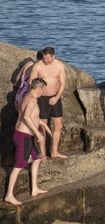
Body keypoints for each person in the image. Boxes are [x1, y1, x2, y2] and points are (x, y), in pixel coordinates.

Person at [4, 78, 52, 206]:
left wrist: (43, 124)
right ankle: (9, 195)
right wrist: (37, 133)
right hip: (23, 136)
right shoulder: (31, 100)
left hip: (24, 135)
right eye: (43, 89)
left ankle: (34, 188)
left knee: (36, 158)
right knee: (19, 165)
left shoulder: (26, 96)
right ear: (39, 88)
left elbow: (30, 116)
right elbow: (25, 117)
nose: (43, 92)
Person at [28, 46, 67, 159]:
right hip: (42, 99)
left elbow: (63, 83)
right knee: (42, 126)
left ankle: (54, 152)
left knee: (58, 125)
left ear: (53, 56)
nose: (46, 61)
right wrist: (34, 99)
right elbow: (32, 83)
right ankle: (43, 153)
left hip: (56, 97)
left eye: (48, 59)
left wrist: (57, 97)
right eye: (44, 58)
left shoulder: (59, 65)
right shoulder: (38, 66)